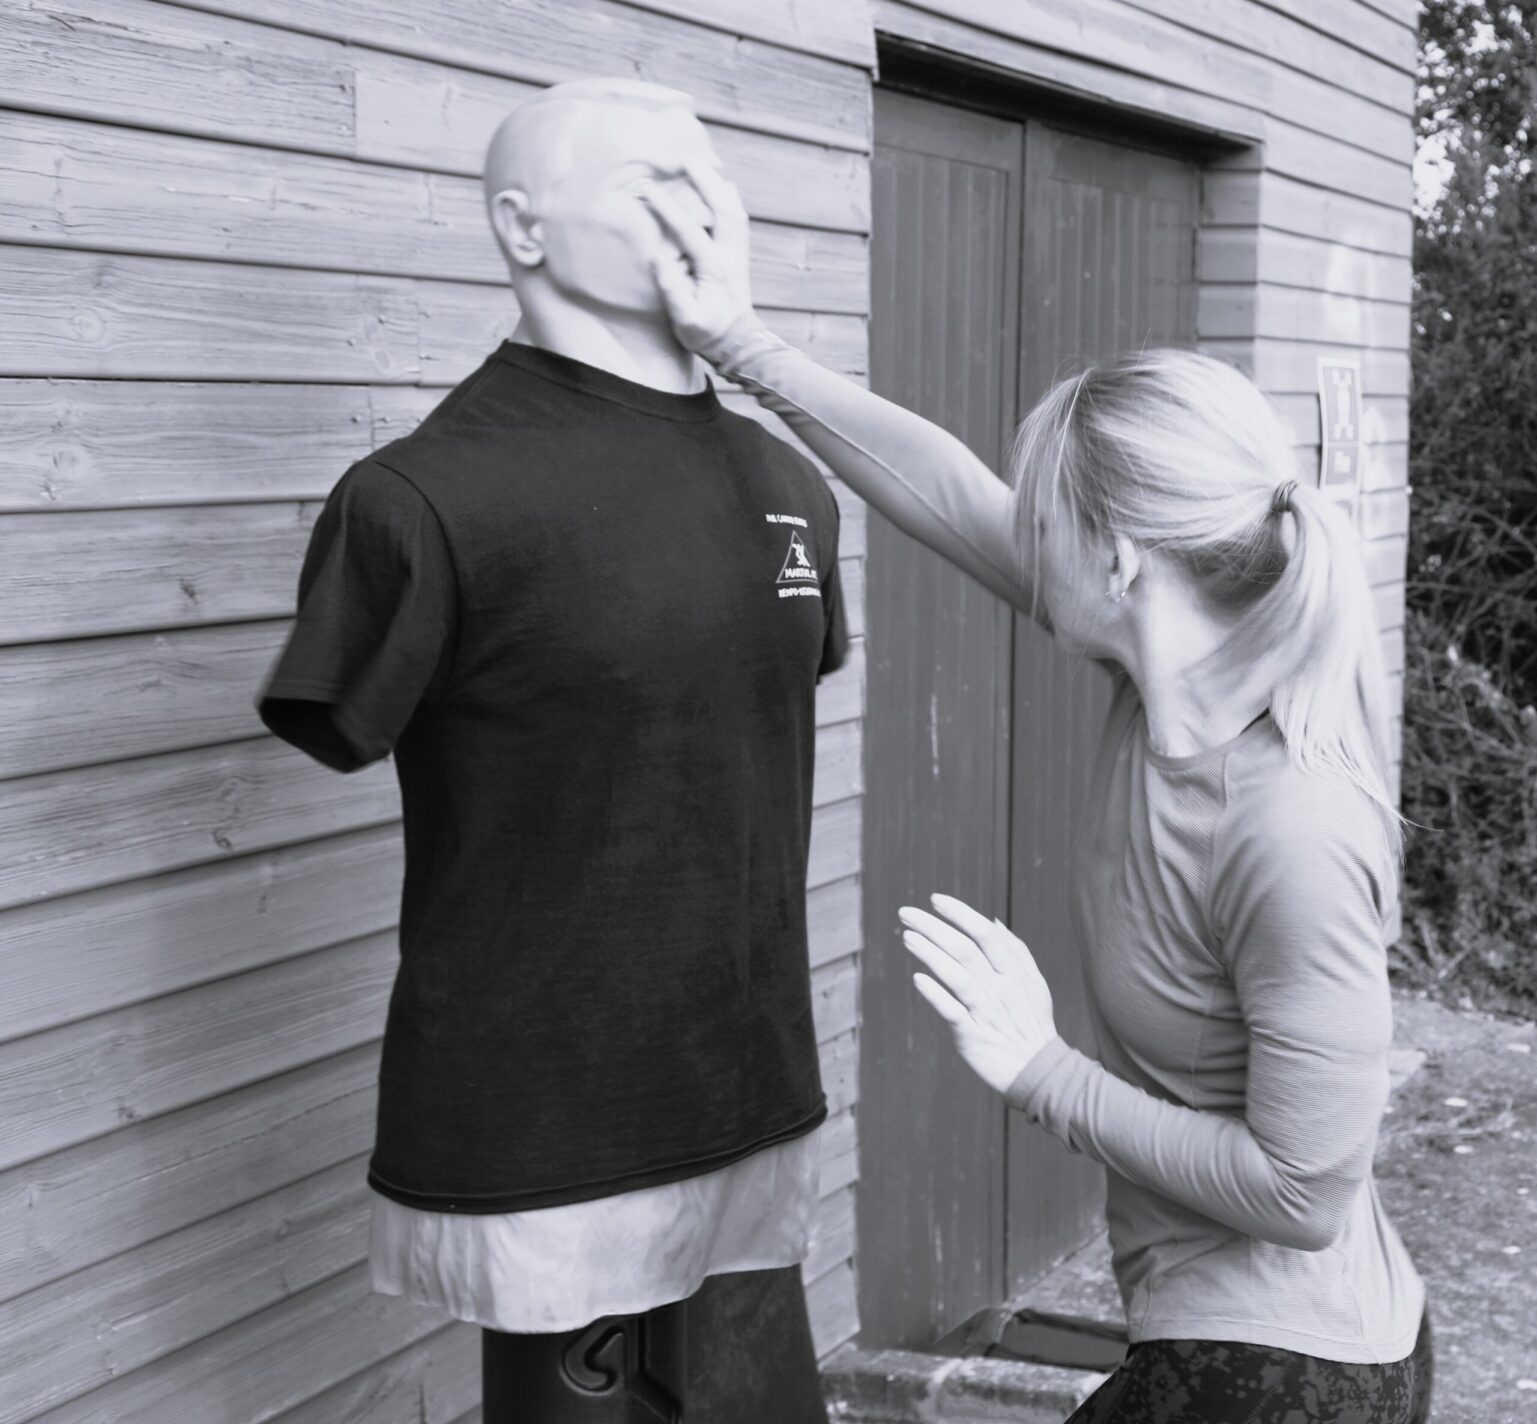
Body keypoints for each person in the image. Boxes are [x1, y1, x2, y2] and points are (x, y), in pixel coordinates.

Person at [637, 162, 1435, 1424]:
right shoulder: (1151, 666)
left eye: (1048, 519)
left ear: (1117, 557)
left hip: (1285, 1376)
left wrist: (1036, 1065)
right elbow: (945, 487)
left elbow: (1305, 1189)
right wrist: (734, 339)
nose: (1023, 535)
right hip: (1230, 1346)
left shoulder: (1287, 819)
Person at [254, 79, 844, 1422]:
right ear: (521, 227)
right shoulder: (419, 501)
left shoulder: (790, 486)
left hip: (754, 1093)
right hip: (543, 1135)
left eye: (711, 173)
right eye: (651, 177)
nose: (699, 206)